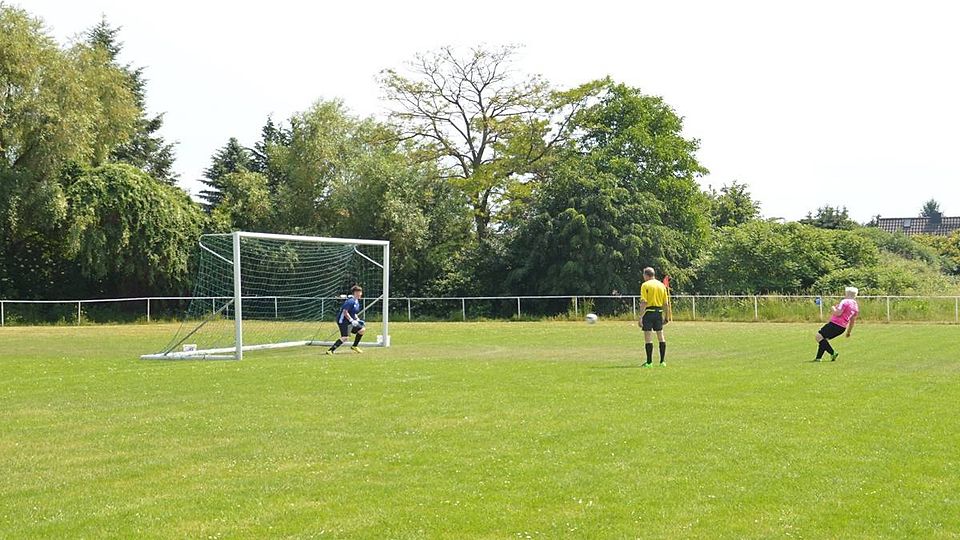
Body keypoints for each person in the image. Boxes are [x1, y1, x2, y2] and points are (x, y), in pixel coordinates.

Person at [814, 286, 859, 362]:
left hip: (835, 324)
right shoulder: (855, 306)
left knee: (818, 336)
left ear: (847, 293)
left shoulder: (845, 301)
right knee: (823, 340)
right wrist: (848, 332)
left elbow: (838, 313)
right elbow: (852, 321)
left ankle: (833, 353)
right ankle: (818, 358)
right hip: (842, 328)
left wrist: (833, 308)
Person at [638, 267, 670, 367]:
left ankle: (649, 362)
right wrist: (667, 316)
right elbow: (666, 303)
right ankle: (662, 362)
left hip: (649, 312)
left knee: (648, 337)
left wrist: (640, 317)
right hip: (658, 312)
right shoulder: (661, 285)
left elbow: (644, 302)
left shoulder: (645, 285)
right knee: (661, 336)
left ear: (646, 275)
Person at [326, 285, 366, 355]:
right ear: (355, 293)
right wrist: (351, 320)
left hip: (349, 321)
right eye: (359, 292)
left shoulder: (356, 301)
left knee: (362, 330)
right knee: (345, 337)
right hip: (343, 321)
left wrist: (357, 319)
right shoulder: (350, 301)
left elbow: (353, 313)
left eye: (361, 292)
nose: (360, 294)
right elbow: (345, 312)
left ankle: (354, 346)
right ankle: (330, 350)